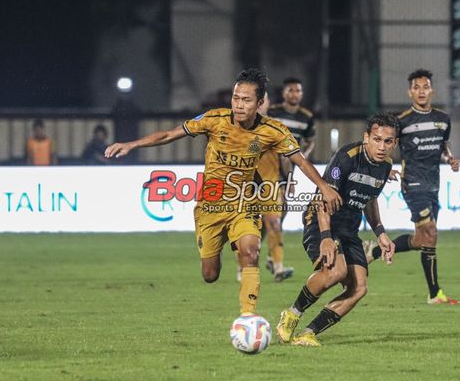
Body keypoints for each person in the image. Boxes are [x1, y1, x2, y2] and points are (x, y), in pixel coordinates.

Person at [105, 69, 342, 316]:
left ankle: (248, 318)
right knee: (210, 274)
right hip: (211, 206)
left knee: (251, 252)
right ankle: (222, 255)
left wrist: (324, 187)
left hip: (245, 204)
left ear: (260, 103)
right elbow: (168, 134)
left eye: (246, 100)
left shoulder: (274, 131)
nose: (239, 105)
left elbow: (301, 160)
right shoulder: (214, 119)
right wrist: (131, 144)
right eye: (236, 98)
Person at [276, 112, 399, 347]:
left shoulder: (386, 166)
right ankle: (292, 313)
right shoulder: (346, 157)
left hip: (349, 229)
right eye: (376, 139)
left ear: (395, 143)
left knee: (358, 288)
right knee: (336, 272)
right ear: (366, 137)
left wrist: (381, 233)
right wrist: (325, 238)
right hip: (321, 220)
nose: (381, 146)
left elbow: (370, 201)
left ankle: (308, 333)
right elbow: (326, 197)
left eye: (387, 141)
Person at [363, 69, 460, 305]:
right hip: (412, 184)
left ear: (431, 90)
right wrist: (387, 167)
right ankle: (434, 293)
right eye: (416, 87)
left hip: (433, 184)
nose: (421, 91)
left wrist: (450, 158)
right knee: (432, 233)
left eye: (425, 86)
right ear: (410, 92)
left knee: (422, 239)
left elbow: (443, 145)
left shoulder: (443, 119)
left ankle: (374, 251)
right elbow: (385, 147)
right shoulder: (403, 122)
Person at [235, 92, 295, 283]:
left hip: (270, 186)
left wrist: (289, 180)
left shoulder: (277, 128)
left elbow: (286, 157)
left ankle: (278, 268)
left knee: (274, 225)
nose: (259, 104)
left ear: (267, 103)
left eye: (263, 100)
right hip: (246, 187)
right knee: (248, 231)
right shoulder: (237, 127)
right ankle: (242, 266)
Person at [266, 77, 316, 274]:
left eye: (298, 91)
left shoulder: (306, 117)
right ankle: (274, 262)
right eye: (291, 90)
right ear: (284, 93)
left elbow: (310, 140)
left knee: (282, 210)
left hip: (289, 167)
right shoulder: (273, 112)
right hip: (269, 166)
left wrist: (303, 156)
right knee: (274, 213)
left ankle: (272, 257)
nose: (294, 94)